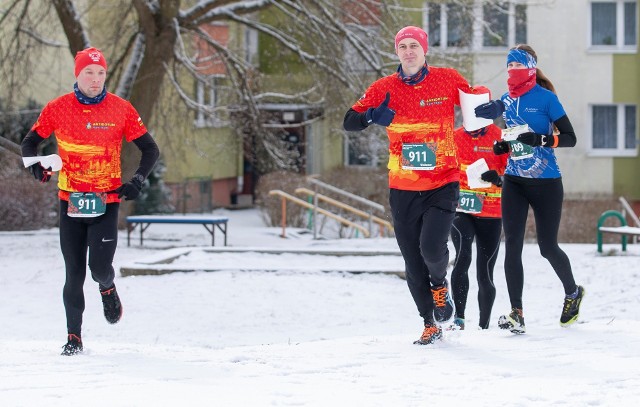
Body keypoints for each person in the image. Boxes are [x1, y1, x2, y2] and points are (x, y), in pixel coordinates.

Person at [21, 47, 160, 355]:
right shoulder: (58, 108)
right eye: (89, 73)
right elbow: (30, 142)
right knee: (74, 272)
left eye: (100, 73)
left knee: (98, 267)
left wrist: (136, 180)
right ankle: (74, 337)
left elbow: (151, 150)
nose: (96, 80)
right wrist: (36, 166)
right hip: (70, 200)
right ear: (78, 74)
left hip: (106, 200)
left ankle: (107, 287)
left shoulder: (120, 108)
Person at [343, 26, 472, 345]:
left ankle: (440, 286)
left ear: (425, 49)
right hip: (403, 186)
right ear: (397, 52)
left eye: (415, 45)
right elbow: (349, 120)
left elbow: (475, 116)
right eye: (403, 46)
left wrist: (489, 110)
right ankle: (429, 322)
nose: (409, 51)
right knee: (413, 261)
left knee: (431, 248)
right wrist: (372, 115)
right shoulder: (383, 87)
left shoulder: (448, 78)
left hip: (443, 180)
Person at [474, 44, 584, 334]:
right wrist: (503, 146)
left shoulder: (547, 99)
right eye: (508, 67)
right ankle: (516, 313)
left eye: (517, 66)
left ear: (531, 68)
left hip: (547, 182)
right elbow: (513, 138)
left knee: (548, 248)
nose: (512, 72)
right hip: (514, 180)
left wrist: (543, 140)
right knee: (513, 246)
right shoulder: (506, 100)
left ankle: (573, 293)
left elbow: (571, 138)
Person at [449, 88, 508, 331]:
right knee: (463, 256)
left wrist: (499, 178)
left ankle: (483, 325)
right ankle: (459, 318)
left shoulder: (500, 137)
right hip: (462, 209)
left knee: (485, 270)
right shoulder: (454, 137)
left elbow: (515, 174)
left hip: (492, 212)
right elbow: (440, 170)